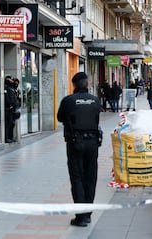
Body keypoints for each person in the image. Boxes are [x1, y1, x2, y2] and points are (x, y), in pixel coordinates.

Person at [57, 72, 102, 227]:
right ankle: (87, 214)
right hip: (93, 143)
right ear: (87, 84)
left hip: (75, 143)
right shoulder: (95, 101)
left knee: (77, 178)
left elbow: (60, 118)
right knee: (91, 178)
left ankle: (81, 216)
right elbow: (97, 117)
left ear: (74, 85)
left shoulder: (68, 101)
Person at [4, 76, 18, 143]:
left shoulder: (12, 88)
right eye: (11, 80)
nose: (12, 82)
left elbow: (16, 84)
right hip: (8, 109)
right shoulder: (6, 88)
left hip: (13, 109)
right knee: (8, 124)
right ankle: (6, 138)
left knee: (12, 124)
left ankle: (11, 137)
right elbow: (7, 99)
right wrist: (10, 105)